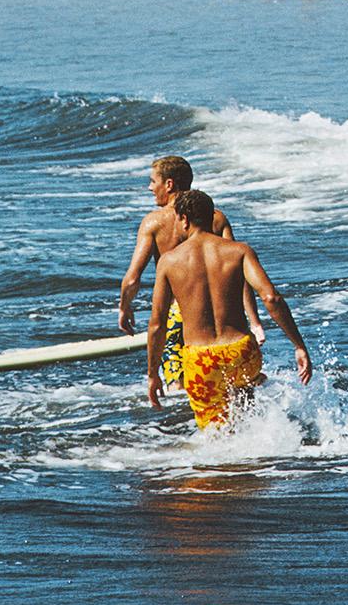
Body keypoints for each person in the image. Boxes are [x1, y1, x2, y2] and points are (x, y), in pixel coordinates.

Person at [147, 191, 312, 429]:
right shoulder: (239, 251)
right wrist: (298, 345)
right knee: (247, 418)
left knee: (217, 436)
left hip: (201, 358)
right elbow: (271, 297)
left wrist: (153, 374)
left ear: (183, 219)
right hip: (241, 352)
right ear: (209, 216)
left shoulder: (169, 261)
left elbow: (157, 323)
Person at [119, 155, 260, 393]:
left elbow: (133, 278)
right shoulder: (215, 218)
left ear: (169, 184)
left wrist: (125, 306)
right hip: (222, 315)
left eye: (153, 181)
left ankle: (187, 428)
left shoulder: (153, 223)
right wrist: (254, 320)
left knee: (180, 387)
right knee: (236, 386)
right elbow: (238, 272)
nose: (150, 187)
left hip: (179, 312)